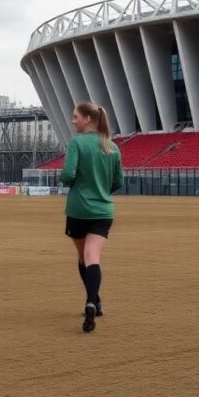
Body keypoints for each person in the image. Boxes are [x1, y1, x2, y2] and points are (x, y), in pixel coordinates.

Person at [60, 102, 123, 333]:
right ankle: (92, 301)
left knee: (82, 258)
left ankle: (94, 300)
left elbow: (68, 174)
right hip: (103, 211)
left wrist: (65, 180)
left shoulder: (77, 143)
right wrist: (102, 191)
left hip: (78, 209)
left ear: (88, 119)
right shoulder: (113, 147)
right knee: (92, 257)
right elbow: (118, 181)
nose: (72, 121)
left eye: (75, 117)